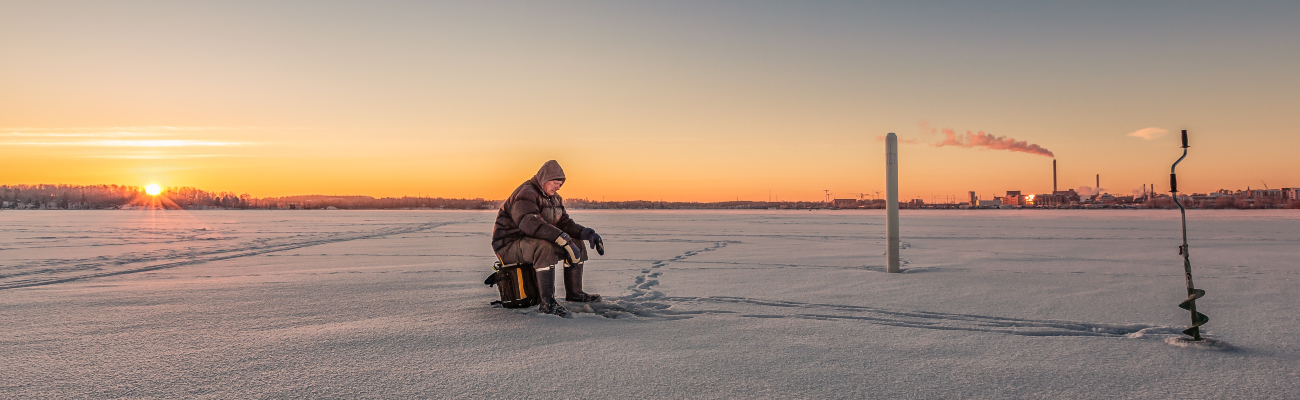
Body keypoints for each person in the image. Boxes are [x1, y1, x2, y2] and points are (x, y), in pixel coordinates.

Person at [492, 160, 605, 317]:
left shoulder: (555, 198)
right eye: (555, 183)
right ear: (544, 179)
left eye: (560, 184)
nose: (558, 187)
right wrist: (563, 239)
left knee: (576, 243)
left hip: (529, 241)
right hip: (508, 245)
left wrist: (587, 233)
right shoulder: (526, 193)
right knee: (544, 247)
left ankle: (575, 293)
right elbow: (530, 224)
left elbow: (564, 223)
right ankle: (548, 303)